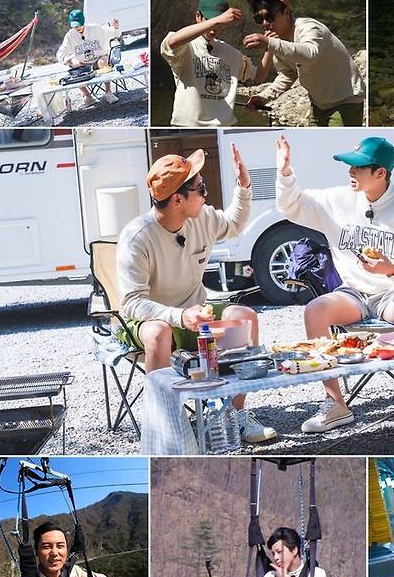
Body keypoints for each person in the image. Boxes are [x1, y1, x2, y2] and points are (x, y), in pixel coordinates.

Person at [117, 145, 276, 443]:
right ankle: (167, 424)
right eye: (200, 188)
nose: (206, 194)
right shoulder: (137, 237)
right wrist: (179, 316)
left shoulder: (201, 217)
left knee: (244, 316)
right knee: (158, 334)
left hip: (196, 315)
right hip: (152, 319)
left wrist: (244, 187)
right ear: (178, 199)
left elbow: (234, 224)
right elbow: (131, 302)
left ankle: (235, 414)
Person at [275, 134, 394, 433]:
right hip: (353, 293)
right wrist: (284, 172)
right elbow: (291, 206)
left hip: (392, 293)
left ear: (381, 173)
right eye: (349, 165)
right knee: (314, 310)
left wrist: (391, 269)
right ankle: (336, 403)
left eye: (358, 167)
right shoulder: (337, 199)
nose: (350, 172)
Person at [243, 0, 365, 126]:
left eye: (270, 17)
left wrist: (269, 43)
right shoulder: (278, 43)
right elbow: (287, 75)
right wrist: (263, 97)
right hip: (319, 105)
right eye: (259, 18)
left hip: (346, 100)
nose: (265, 24)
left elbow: (310, 53)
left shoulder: (308, 27)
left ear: (287, 13)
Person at [160, 0, 272, 126]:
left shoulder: (232, 53)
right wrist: (217, 20)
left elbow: (259, 75)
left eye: (220, 24)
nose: (214, 29)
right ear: (198, 17)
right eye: (210, 20)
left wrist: (270, 45)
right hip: (186, 125)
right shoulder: (186, 46)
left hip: (224, 125)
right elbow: (172, 42)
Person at [56, 9, 121, 107]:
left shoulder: (95, 28)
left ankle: (108, 92)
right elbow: (60, 53)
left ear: (83, 22)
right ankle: (88, 97)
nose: (76, 27)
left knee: (103, 62)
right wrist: (67, 60)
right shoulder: (70, 35)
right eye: (74, 25)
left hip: (98, 59)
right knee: (72, 69)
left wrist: (116, 27)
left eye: (78, 25)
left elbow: (114, 33)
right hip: (83, 65)